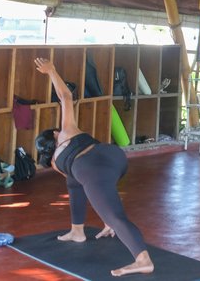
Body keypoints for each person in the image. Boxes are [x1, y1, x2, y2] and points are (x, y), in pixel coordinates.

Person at [33, 57, 153, 277]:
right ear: (54, 134)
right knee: (75, 182)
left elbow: (92, 184)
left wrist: (107, 218)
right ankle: (77, 230)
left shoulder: (55, 163)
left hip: (95, 169)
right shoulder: (67, 132)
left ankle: (143, 260)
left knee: (114, 217)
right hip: (114, 157)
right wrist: (51, 70)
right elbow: (65, 96)